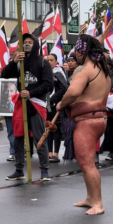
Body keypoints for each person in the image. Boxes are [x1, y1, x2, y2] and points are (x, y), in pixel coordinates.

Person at [56, 34, 110, 215]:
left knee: (87, 163)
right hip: (98, 118)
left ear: (82, 51)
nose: (76, 56)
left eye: (77, 52)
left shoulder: (86, 69)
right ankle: (90, 198)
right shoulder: (103, 70)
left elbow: (73, 93)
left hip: (88, 120)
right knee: (85, 162)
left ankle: (98, 203)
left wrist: (61, 104)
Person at [2, 33, 54, 181]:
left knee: (39, 138)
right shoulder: (18, 62)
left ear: (35, 44)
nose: (27, 44)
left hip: (36, 104)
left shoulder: (42, 62)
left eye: (30, 42)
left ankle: (44, 170)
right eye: (25, 42)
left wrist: (31, 93)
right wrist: (13, 62)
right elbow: (4, 76)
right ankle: (19, 169)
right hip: (21, 104)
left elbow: (49, 84)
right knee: (18, 138)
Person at [46, 53, 67, 163]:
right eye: (47, 60)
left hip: (55, 105)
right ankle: (49, 153)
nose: (49, 62)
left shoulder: (58, 72)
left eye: (51, 60)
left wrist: (52, 100)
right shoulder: (44, 72)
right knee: (48, 128)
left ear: (56, 61)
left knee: (56, 129)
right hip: (45, 104)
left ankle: (56, 153)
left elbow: (63, 88)